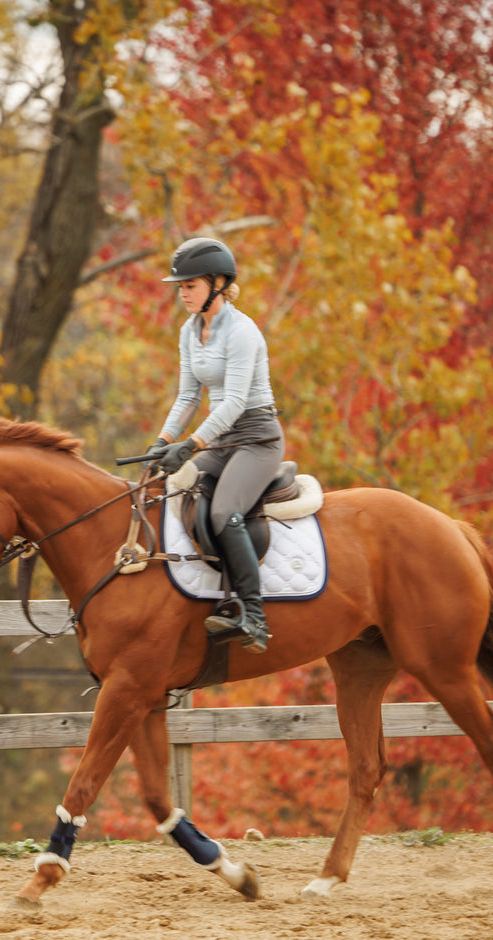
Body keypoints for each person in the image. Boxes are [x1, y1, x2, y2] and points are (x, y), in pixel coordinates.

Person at [147, 237, 284, 654]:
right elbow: (189, 397)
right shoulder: (190, 332)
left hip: (257, 438)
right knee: (178, 495)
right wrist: (162, 441)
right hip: (220, 440)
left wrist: (189, 445)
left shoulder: (242, 332)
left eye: (190, 285)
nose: (182, 292)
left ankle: (255, 616)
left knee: (226, 511)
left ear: (218, 283)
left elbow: (237, 403)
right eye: (180, 286)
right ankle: (216, 599)